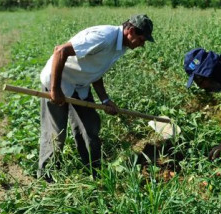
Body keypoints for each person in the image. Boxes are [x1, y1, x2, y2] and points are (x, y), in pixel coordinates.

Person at [38, 14, 154, 179]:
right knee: (56, 133)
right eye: (142, 39)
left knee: (90, 127)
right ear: (131, 31)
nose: (142, 45)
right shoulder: (104, 37)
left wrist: (105, 100)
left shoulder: (121, 47)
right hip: (58, 81)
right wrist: (55, 90)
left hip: (80, 85)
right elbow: (60, 51)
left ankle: (94, 172)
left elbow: (96, 70)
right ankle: (46, 177)